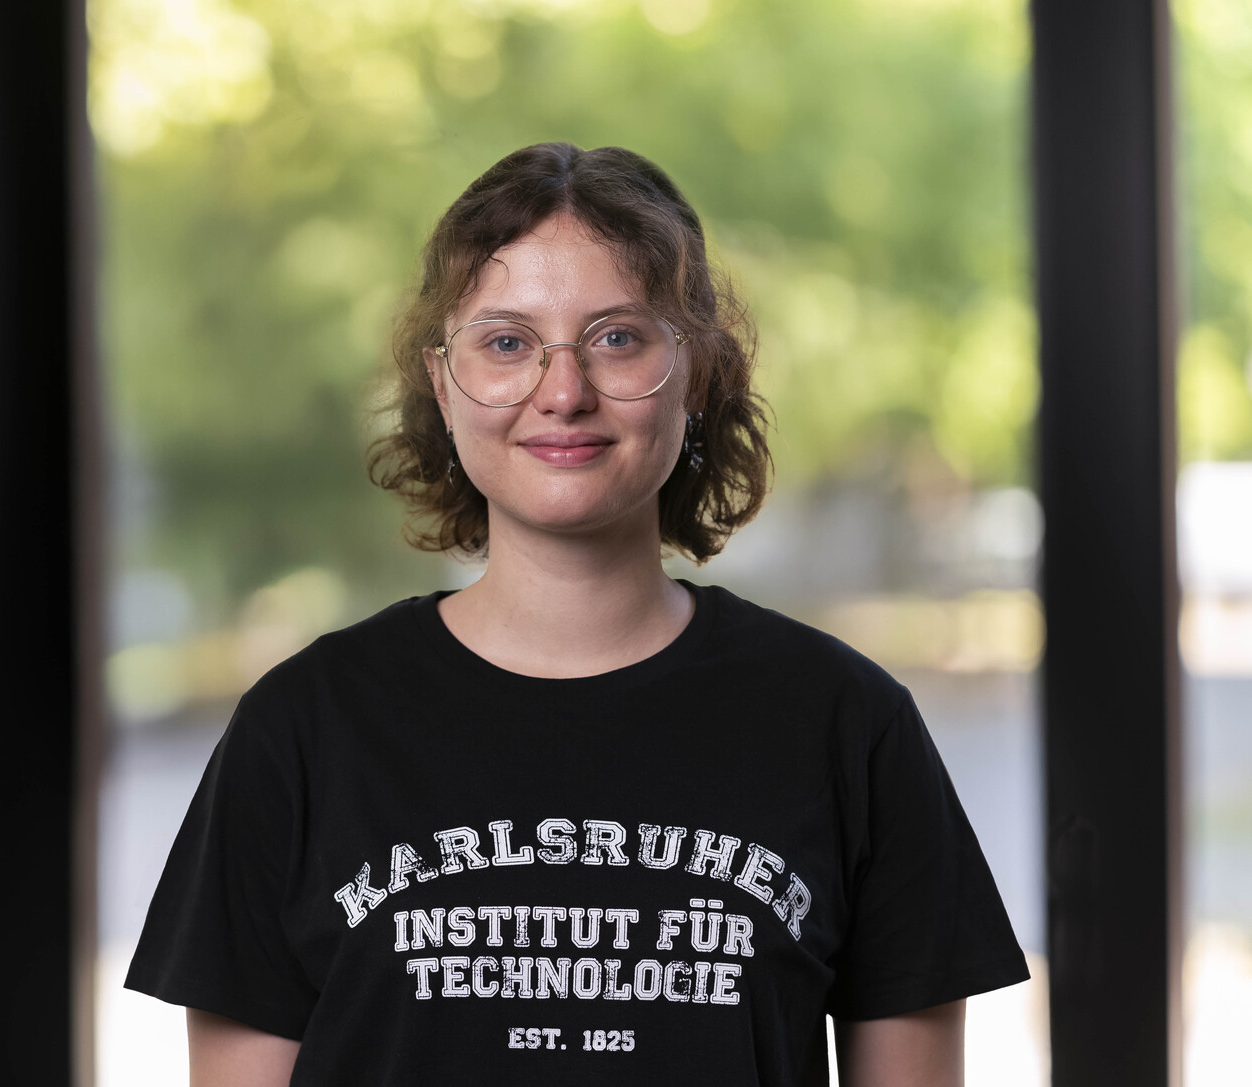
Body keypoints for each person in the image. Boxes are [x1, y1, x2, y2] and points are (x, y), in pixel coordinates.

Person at [124, 142, 1029, 1086]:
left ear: (697, 373)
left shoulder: (847, 724)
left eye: (618, 338)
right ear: (442, 383)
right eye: (507, 343)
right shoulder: (301, 728)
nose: (563, 393)